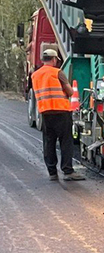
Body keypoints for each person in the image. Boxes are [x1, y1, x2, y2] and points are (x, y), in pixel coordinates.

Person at [31, 49, 86, 181]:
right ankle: (67, 171)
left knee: (49, 142)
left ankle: (52, 173)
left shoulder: (35, 75)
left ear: (43, 59)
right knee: (65, 142)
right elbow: (70, 91)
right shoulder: (58, 72)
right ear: (55, 59)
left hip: (45, 112)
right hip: (61, 112)